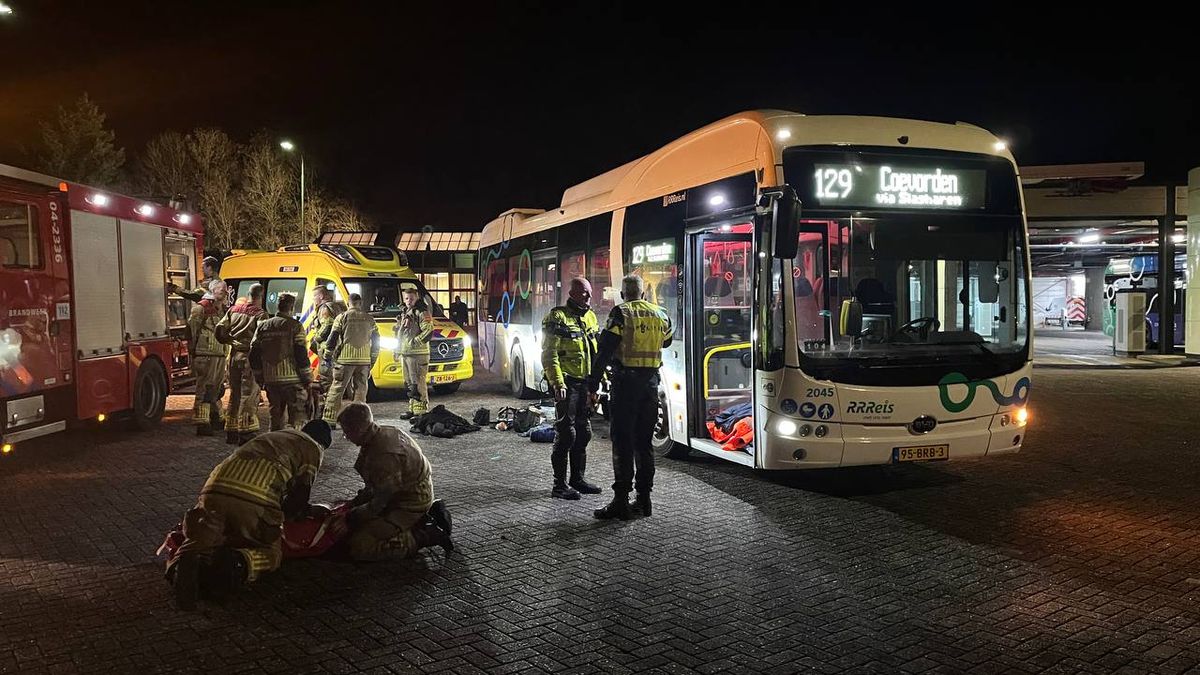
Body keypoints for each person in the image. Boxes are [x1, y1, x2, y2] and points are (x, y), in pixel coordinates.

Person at [166, 420, 333, 610]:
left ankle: (181, 564)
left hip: (213, 491)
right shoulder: (313, 448)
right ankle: (238, 564)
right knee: (272, 551)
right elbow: (298, 499)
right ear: (322, 443)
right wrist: (297, 515)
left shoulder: (276, 436)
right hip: (254, 498)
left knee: (204, 539)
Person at [587, 274, 675, 520]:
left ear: (624, 294)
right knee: (643, 445)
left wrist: (592, 385)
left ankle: (621, 501)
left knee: (623, 443)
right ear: (643, 294)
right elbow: (666, 342)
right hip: (650, 385)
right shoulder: (661, 314)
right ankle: (644, 500)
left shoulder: (620, 313)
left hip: (625, 386)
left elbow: (605, 350)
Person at [336, 402, 453, 560]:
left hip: (408, 504)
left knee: (359, 545)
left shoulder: (384, 454)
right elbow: (374, 488)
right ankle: (424, 519)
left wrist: (351, 517)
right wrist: (352, 505)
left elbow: (381, 501)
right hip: (407, 495)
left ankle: (422, 536)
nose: (346, 437)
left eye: (347, 432)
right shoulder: (381, 433)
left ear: (358, 429)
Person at [540, 276, 603, 500]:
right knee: (566, 434)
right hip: (567, 383)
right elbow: (549, 353)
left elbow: (596, 353)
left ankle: (577, 479)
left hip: (585, 384)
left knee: (584, 432)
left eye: (589, 292)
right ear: (572, 293)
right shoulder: (557, 317)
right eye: (584, 292)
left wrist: (598, 382)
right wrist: (557, 383)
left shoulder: (591, 317)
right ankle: (559, 486)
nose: (588, 296)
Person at [249, 293, 312, 430]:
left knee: (275, 416)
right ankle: (294, 442)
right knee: (297, 416)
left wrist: (260, 377)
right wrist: (307, 378)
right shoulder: (295, 326)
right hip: (292, 381)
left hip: (271, 380)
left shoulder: (263, 326)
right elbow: (300, 353)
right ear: (292, 307)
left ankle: (275, 442)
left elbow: (253, 354)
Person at [216, 283, 266, 444]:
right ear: (261, 296)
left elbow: (219, 329)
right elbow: (261, 338)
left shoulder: (233, 310)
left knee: (235, 394)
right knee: (248, 395)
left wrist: (229, 340)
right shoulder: (260, 315)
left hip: (234, 356)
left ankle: (231, 430)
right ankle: (246, 433)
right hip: (249, 358)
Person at [321, 293, 380, 426]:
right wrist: (372, 360)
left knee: (337, 389)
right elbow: (376, 341)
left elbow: (333, 338)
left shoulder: (342, 317)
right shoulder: (369, 319)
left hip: (345, 360)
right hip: (364, 361)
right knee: (361, 390)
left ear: (349, 303)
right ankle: (359, 420)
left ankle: (329, 419)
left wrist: (327, 357)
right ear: (360, 303)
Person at [187, 282, 229, 436]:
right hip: (205, 355)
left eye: (225, 289)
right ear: (212, 290)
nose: (224, 291)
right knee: (204, 388)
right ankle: (202, 423)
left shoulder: (222, 309)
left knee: (216, 390)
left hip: (219, 354)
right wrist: (194, 351)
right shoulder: (201, 308)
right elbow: (192, 330)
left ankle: (216, 418)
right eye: (221, 289)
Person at [395, 288, 433, 419]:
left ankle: (421, 412)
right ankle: (412, 409)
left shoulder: (421, 311)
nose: (408, 301)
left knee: (418, 383)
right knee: (410, 384)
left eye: (411, 298)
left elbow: (429, 330)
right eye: (406, 298)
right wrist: (398, 351)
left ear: (417, 298)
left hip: (418, 354)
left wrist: (414, 342)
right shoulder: (405, 312)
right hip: (406, 353)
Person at [308, 287, 345, 420]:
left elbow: (327, 326)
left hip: (327, 351)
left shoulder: (325, 308)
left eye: (315, 296)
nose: (314, 300)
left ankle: (327, 413)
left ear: (322, 296)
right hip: (337, 349)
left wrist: (315, 338)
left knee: (326, 381)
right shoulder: (337, 307)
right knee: (335, 381)